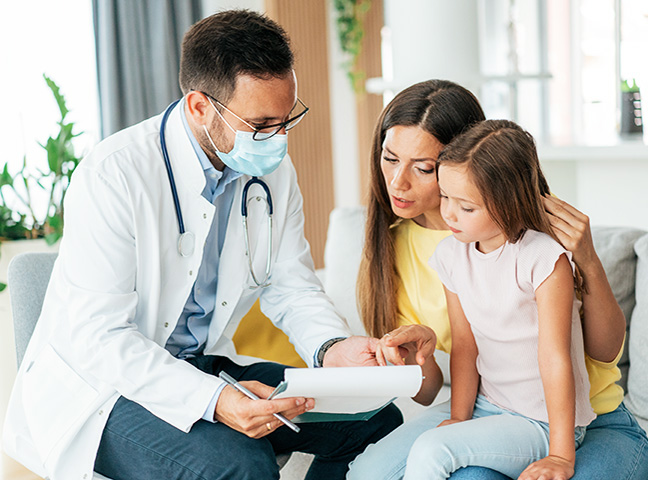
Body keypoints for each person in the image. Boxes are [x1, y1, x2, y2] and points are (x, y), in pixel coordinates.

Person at [2, 10, 402, 480]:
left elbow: (290, 283)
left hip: (197, 365)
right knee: (239, 464)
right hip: (101, 389)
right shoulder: (114, 174)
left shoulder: (272, 171)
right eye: (260, 124)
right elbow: (100, 339)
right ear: (199, 107)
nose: (277, 139)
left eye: (286, 119)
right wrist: (214, 400)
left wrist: (331, 348)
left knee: (373, 420)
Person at [346, 80, 648, 480]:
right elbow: (455, 359)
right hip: (491, 407)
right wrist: (411, 364)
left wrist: (588, 261)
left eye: (424, 168)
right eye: (389, 159)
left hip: (578, 418)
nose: (399, 182)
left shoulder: (543, 252)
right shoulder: (439, 253)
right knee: (369, 472)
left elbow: (581, 353)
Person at [402, 119, 595, 479]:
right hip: (488, 408)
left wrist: (561, 455)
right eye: (445, 197)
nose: (449, 213)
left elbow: (556, 357)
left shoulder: (544, 258)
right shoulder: (450, 255)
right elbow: (465, 344)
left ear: (507, 202)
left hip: (539, 421)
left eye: (466, 207)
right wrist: (459, 418)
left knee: (432, 450)